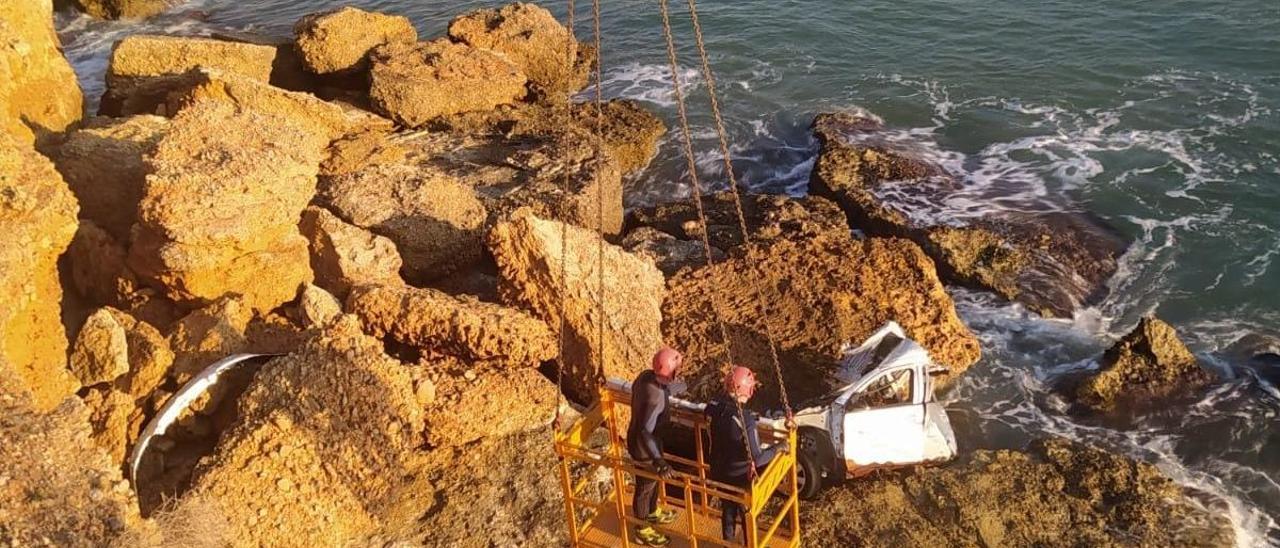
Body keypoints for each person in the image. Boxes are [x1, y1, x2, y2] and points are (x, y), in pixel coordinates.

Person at [705, 365, 786, 543]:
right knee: (746, 512)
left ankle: (728, 543)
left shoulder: (714, 407)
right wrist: (778, 448)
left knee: (728, 507)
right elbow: (756, 457)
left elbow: (712, 409)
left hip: (719, 470)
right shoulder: (745, 419)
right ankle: (750, 544)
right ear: (747, 390)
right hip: (739, 475)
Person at [626, 347, 683, 546]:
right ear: (671, 371)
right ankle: (641, 529)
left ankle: (651, 512)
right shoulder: (654, 397)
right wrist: (658, 460)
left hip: (644, 442)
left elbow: (663, 387)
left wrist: (678, 387)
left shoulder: (645, 377)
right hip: (645, 449)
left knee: (653, 482)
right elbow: (644, 430)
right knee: (645, 486)